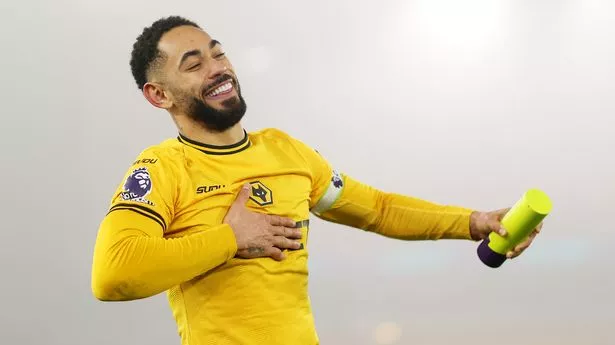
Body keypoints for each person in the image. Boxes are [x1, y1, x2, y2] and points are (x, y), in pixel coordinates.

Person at [90, 15, 543, 345]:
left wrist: (474, 222)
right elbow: (113, 274)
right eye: (194, 64)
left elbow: (379, 209)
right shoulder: (162, 168)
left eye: (218, 52)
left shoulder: (286, 152)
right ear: (158, 94)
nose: (218, 67)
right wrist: (230, 238)